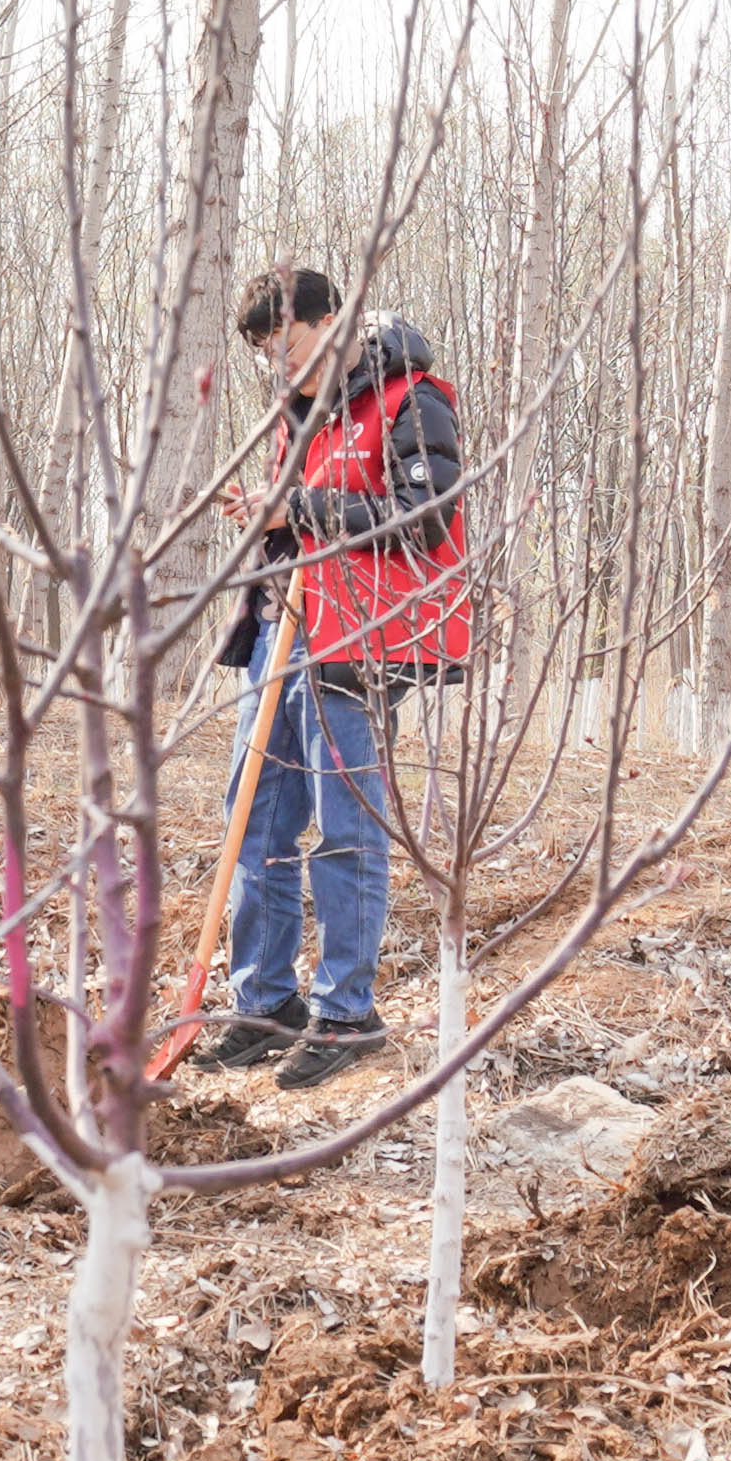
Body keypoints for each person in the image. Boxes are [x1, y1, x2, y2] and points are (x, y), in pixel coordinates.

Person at [199, 267, 471, 1079]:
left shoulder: (409, 398)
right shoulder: (296, 416)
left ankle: (347, 1012)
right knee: (253, 819)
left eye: (287, 343)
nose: (278, 363)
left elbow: (425, 519)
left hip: (364, 639)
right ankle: (265, 1002)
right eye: (263, 353)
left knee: (346, 826)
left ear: (334, 320)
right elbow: (304, 514)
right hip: (284, 627)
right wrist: (265, 511)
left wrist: (303, 510)